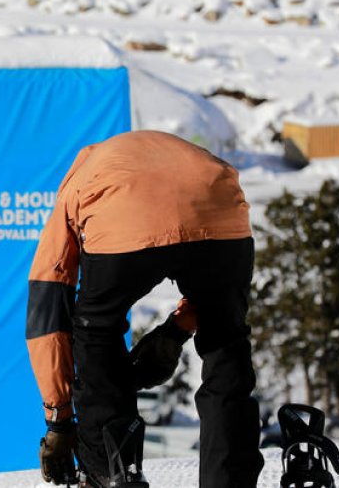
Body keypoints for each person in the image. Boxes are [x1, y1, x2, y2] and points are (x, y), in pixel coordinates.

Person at [26, 130, 263, 488]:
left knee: (95, 332)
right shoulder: (170, 155)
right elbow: (211, 286)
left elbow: (50, 309)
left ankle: (110, 472)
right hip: (223, 206)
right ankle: (229, 481)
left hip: (128, 216)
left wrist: (59, 419)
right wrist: (175, 330)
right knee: (226, 341)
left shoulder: (79, 182)